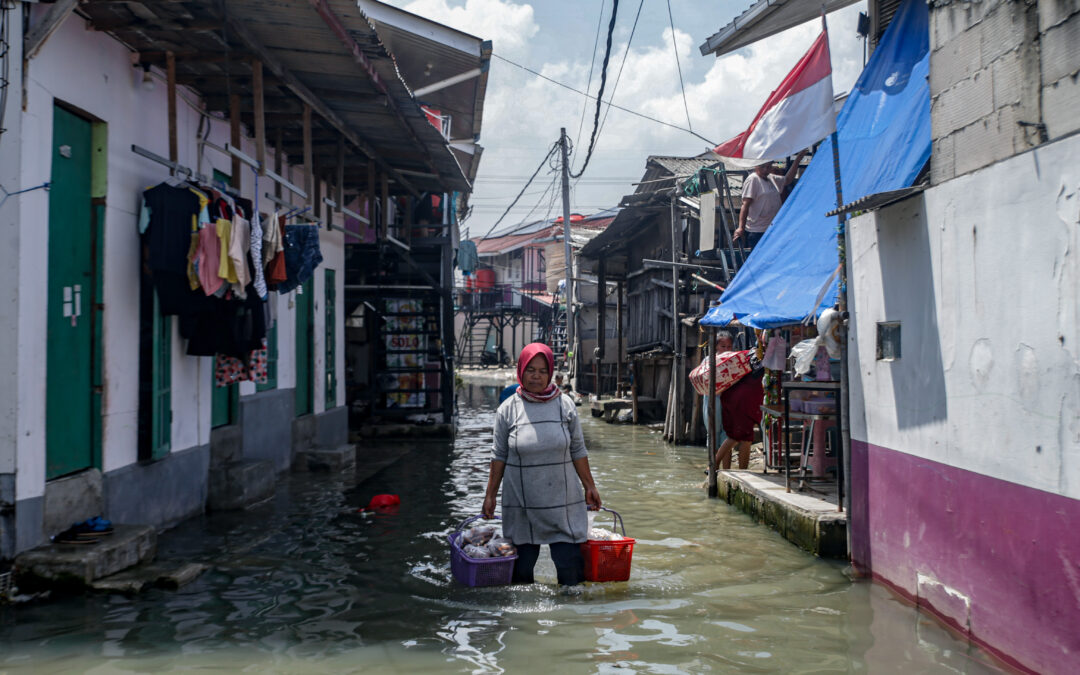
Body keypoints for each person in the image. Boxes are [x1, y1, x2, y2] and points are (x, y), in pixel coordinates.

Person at [482, 343, 602, 585]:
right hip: (522, 503)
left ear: (550, 374)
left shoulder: (565, 404)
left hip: (562, 501)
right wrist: (490, 495)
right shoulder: (508, 410)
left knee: (571, 574)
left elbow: (578, 449)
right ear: (521, 370)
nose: (536, 376)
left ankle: (570, 619)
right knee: (520, 576)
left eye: (542, 371)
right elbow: (499, 455)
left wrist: (590, 486)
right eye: (530, 370)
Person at [734, 149, 808, 250]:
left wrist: (797, 160)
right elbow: (745, 205)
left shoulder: (771, 178)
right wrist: (741, 227)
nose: (765, 170)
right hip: (757, 230)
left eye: (768, 167)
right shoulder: (753, 179)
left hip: (772, 228)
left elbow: (787, 179)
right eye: (762, 167)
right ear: (756, 166)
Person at [715, 360, 765, 471]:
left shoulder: (745, 360)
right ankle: (714, 463)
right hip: (743, 401)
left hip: (742, 400)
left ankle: (743, 470)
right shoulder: (754, 361)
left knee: (746, 438)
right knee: (738, 436)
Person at [702, 331, 734, 445]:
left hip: (729, 401)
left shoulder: (734, 361)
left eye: (729, 346)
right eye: (723, 346)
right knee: (712, 431)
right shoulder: (708, 361)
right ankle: (713, 461)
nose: (726, 349)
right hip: (712, 400)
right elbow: (703, 380)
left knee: (727, 433)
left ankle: (724, 462)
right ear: (716, 346)